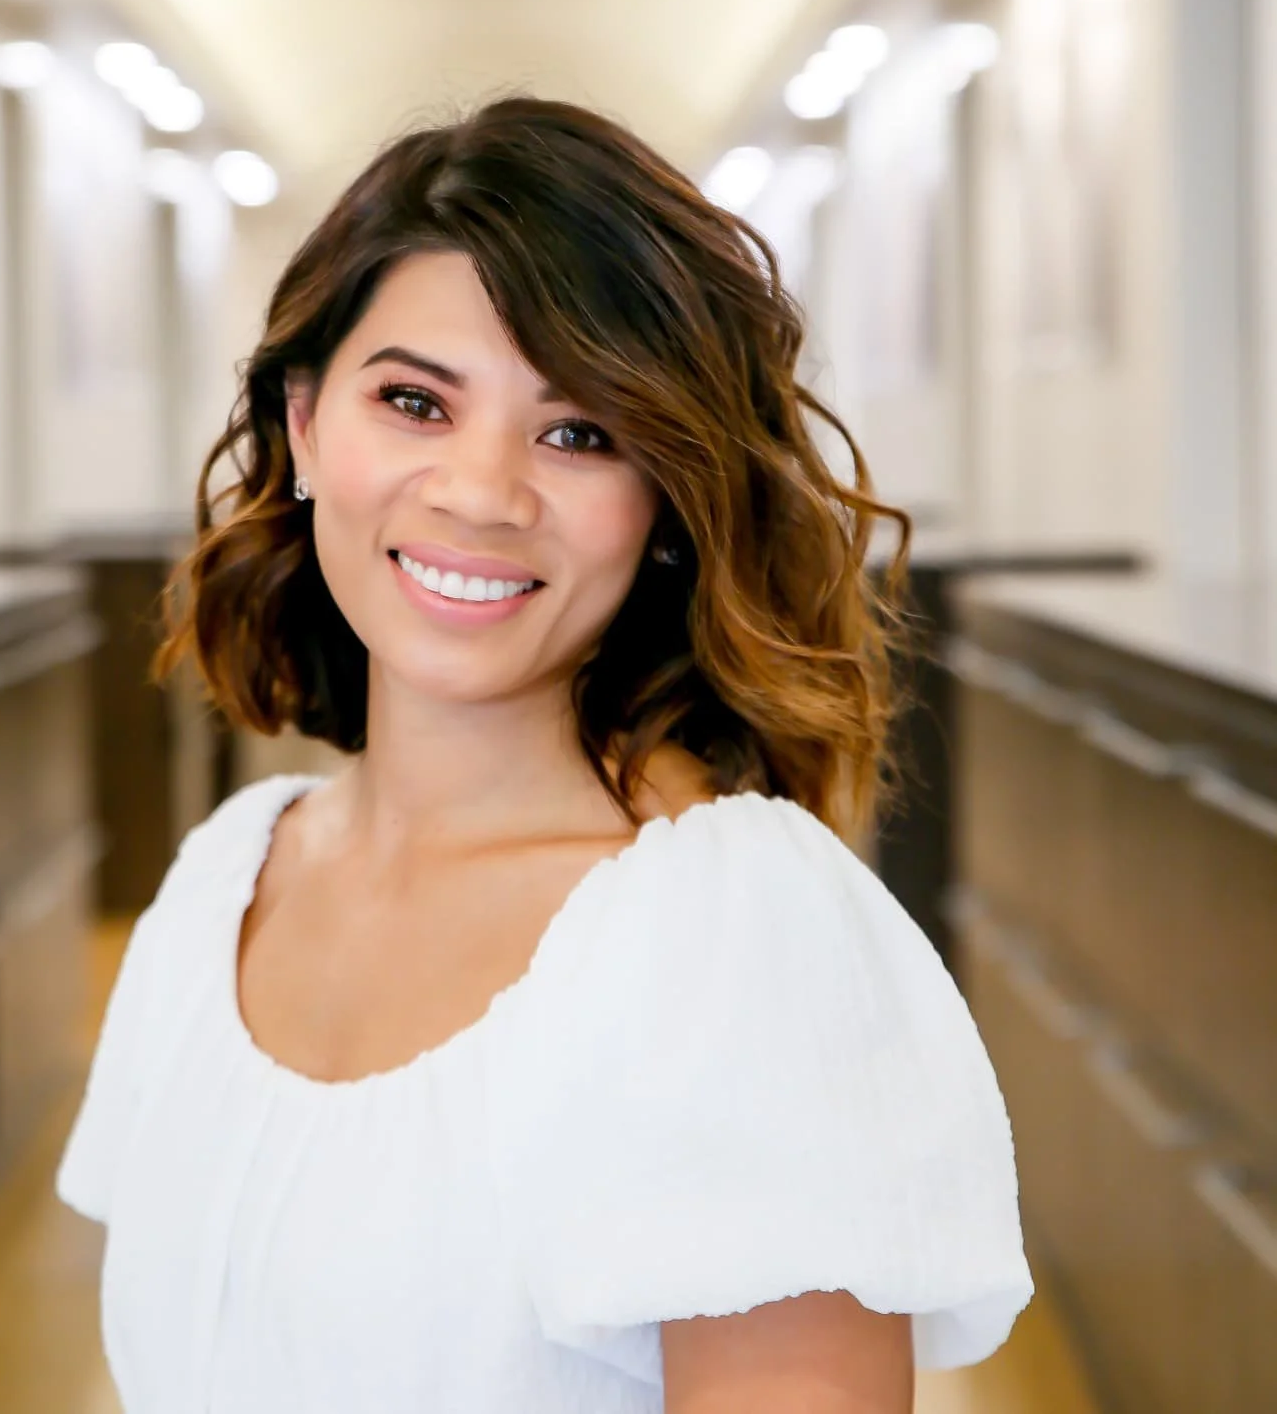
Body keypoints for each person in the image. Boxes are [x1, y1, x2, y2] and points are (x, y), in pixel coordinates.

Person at [56, 96, 1032, 1413]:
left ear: (668, 498)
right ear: (302, 426)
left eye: (580, 433)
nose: (481, 490)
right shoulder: (218, 888)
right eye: (413, 401)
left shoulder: (733, 938)